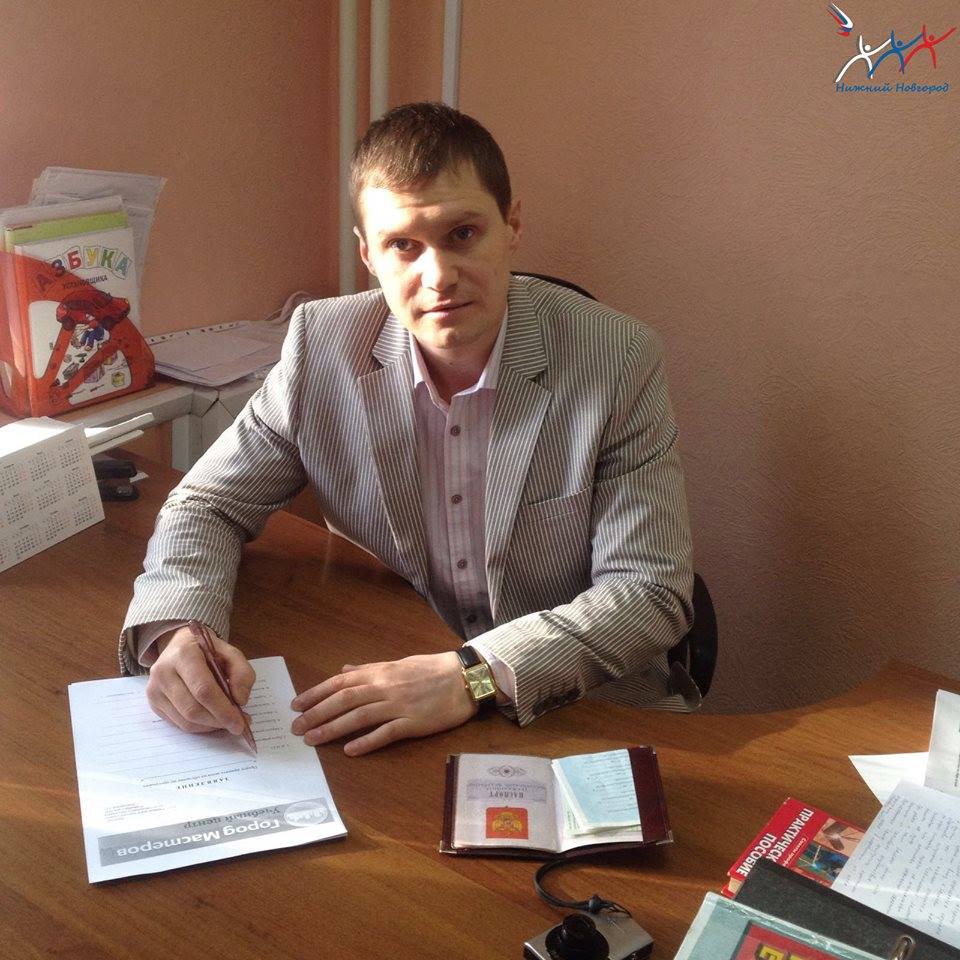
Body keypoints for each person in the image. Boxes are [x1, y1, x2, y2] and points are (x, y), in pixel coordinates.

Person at [120, 101, 696, 756]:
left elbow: (649, 592)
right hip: (394, 688)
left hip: (577, 707)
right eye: (403, 245)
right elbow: (208, 504)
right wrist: (179, 629)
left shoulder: (616, 357)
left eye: (463, 234)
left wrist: (474, 675)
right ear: (369, 254)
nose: (438, 276)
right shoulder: (320, 347)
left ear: (511, 226)